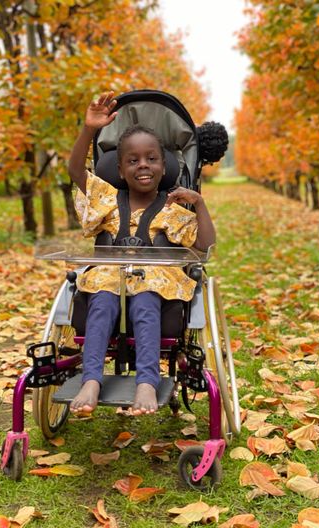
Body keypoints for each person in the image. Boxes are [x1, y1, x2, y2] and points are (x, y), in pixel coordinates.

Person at [68, 91, 216, 416]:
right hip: (109, 278)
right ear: (120, 170)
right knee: (101, 302)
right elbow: (77, 172)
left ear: (165, 167)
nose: (143, 165)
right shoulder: (107, 200)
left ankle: (147, 381)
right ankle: (91, 379)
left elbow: (204, 247)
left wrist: (200, 204)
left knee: (146, 303)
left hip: (156, 283)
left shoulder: (173, 208)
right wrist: (88, 130)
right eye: (133, 161)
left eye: (151, 158)